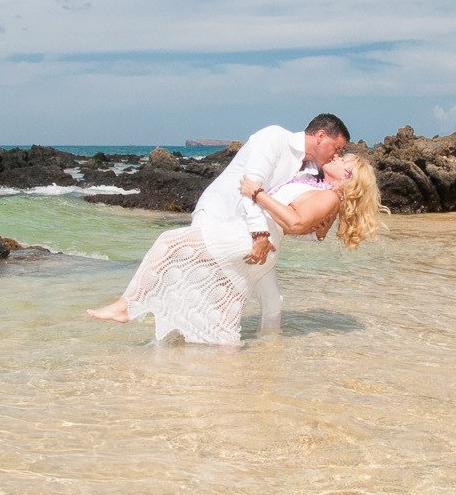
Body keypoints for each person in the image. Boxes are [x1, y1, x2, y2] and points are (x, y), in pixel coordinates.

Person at [87, 114, 377, 344]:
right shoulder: (280, 144)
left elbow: (289, 216)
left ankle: (133, 309)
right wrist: (274, 230)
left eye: (341, 156)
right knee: (237, 301)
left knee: (172, 246)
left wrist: (271, 223)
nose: (336, 155)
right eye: (337, 149)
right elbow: (271, 198)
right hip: (226, 217)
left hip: (252, 234)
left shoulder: (320, 183)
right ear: (320, 136)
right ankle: (244, 354)